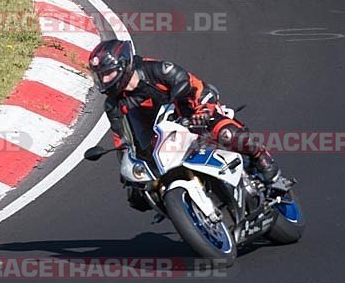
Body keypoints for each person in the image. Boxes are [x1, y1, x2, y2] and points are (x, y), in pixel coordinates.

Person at [88, 39, 280, 186]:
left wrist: (202, 111)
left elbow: (191, 84)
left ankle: (260, 157)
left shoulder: (155, 69)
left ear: (123, 65)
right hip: (161, 137)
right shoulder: (113, 105)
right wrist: (127, 169)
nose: (104, 81)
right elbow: (122, 140)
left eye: (108, 74)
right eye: (100, 76)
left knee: (226, 133)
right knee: (143, 185)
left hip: (193, 111)